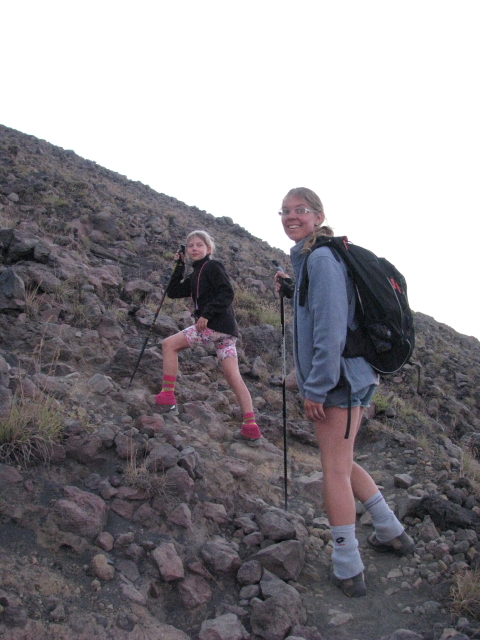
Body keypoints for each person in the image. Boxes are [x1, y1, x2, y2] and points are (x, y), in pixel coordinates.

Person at [275, 188, 414, 597]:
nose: (290, 216)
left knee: (333, 469)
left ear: (317, 216)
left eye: (299, 210)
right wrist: (291, 287)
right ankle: (391, 530)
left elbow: (331, 328)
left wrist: (314, 387)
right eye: (284, 211)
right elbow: (323, 308)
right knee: (343, 459)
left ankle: (347, 564)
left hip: (339, 381)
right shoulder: (315, 259)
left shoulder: (319, 259)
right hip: (353, 376)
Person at [155, 229, 263, 445]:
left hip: (213, 324)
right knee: (234, 376)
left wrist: (206, 314)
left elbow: (227, 293)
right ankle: (250, 427)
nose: (194, 248)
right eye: (190, 246)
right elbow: (174, 291)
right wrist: (178, 265)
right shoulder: (196, 273)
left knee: (169, 345)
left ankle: (167, 398)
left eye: (199, 245)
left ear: (208, 249)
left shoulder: (212, 266)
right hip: (226, 331)